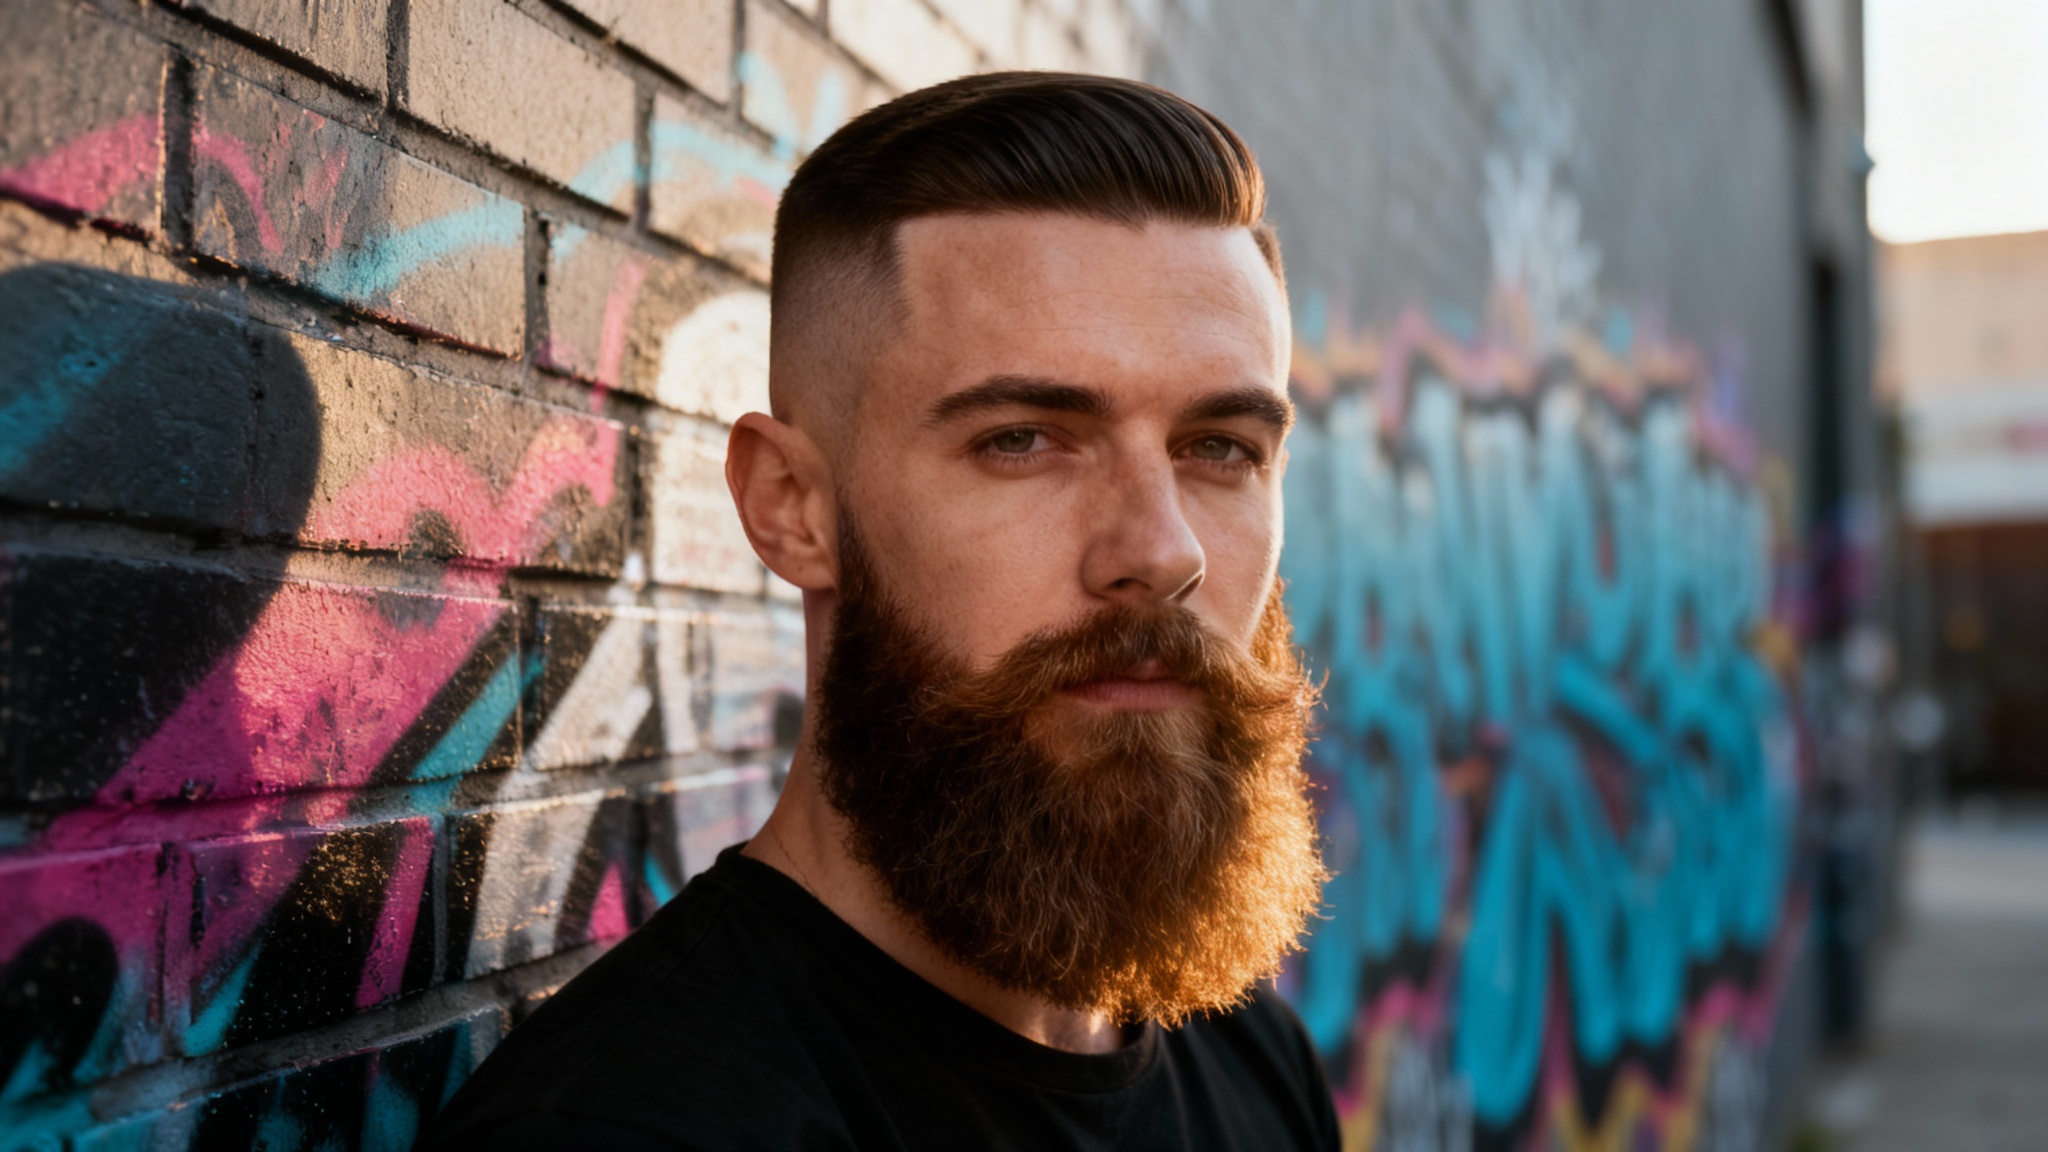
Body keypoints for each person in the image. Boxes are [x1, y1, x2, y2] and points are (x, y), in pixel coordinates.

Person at [419, 71, 1338, 1151]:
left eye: (1220, 448)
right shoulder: (630, 1129)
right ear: (791, 507)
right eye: (1021, 440)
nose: (1160, 551)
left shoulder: (1252, 1061)